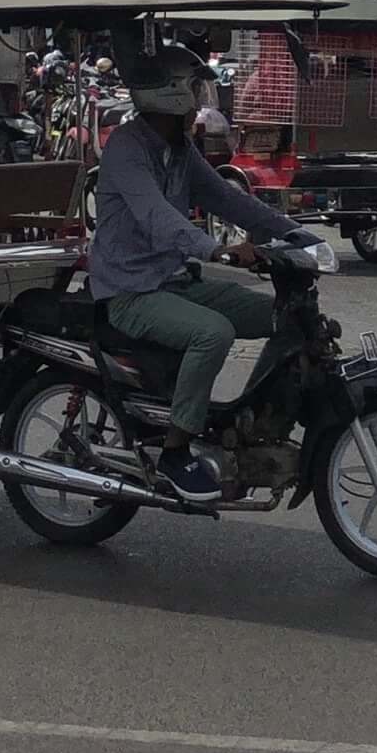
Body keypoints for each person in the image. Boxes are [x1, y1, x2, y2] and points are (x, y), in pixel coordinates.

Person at [88, 47, 310, 505]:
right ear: (167, 97)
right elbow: (155, 217)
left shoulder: (179, 149)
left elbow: (229, 201)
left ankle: (252, 424)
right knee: (213, 334)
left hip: (174, 280)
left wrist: (296, 234)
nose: (199, 103)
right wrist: (216, 249)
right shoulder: (127, 149)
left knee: (284, 315)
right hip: (129, 290)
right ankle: (175, 451)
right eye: (193, 91)